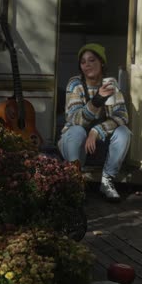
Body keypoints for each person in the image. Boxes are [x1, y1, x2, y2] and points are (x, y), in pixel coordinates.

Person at [57, 43, 131, 201]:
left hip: (98, 145)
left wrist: (96, 131)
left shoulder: (109, 84)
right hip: (73, 143)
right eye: (83, 62)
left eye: (92, 60)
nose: (87, 65)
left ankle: (107, 180)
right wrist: (97, 101)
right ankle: (74, 180)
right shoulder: (75, 84)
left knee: (124, 131)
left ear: (101, 62)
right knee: (77, 130)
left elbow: (121, 116)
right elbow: (75, 119)